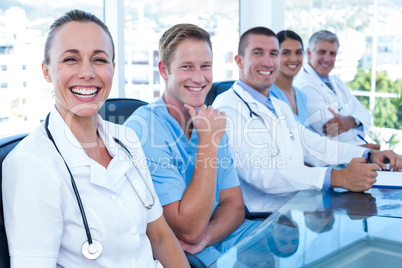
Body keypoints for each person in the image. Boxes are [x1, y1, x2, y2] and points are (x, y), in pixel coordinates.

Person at [2, 10, 189, 268]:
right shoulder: (31, 165)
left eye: (99, 60)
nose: (87, 73)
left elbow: (159, 236)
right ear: (46, 71)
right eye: (71, 59)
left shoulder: (127, 139)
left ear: (112, 69)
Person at [213, 26, 402, 213]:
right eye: (258, 53)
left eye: (273, 54)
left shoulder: (278, 106)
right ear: (239, 60)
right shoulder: (227, 107)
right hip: (262, 219)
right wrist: (338, 177)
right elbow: (263, 174)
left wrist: (367, 155)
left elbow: (315, 145)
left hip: (296, 207)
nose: (268, 62)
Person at [124, 23, 260, 266]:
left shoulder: (211, 119)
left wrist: (207, 236)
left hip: (225, 241)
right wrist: (209, 142)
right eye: (187, 67)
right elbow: (188, 230)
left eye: (205, 67)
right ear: (164, 71)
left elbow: (235, 206)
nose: (199, 78)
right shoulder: (144, 130)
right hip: (191, 256)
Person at [293, 30, 377, 147]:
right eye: (322, 52)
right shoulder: (305, 86)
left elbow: (366, 116)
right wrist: (357, 123)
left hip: (354, 151)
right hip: (337, 158)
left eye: (332, 53)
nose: (327, 59)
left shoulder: (336, 81)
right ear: (309, 53)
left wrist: (352, 121)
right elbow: (332, 133)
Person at [270, 30, 309, 127]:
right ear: (274, 55)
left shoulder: (301, 96)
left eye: (298, 53)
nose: (293, 59)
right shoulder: (268, 95)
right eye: (286, 53)